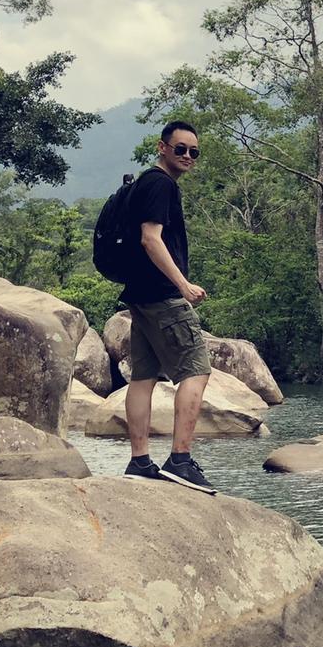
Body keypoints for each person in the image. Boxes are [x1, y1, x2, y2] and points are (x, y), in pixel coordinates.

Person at [120, 120, 215, 492]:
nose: (188, 156)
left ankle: (140, 462)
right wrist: (184, 285)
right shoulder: (161, 184)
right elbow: (150, 239)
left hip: (140, 296)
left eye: (194, 151)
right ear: (163, 148)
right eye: (181, 149)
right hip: (162, 295)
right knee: (197, 370)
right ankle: (180, 459)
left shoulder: (144, 182)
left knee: (143, 377)